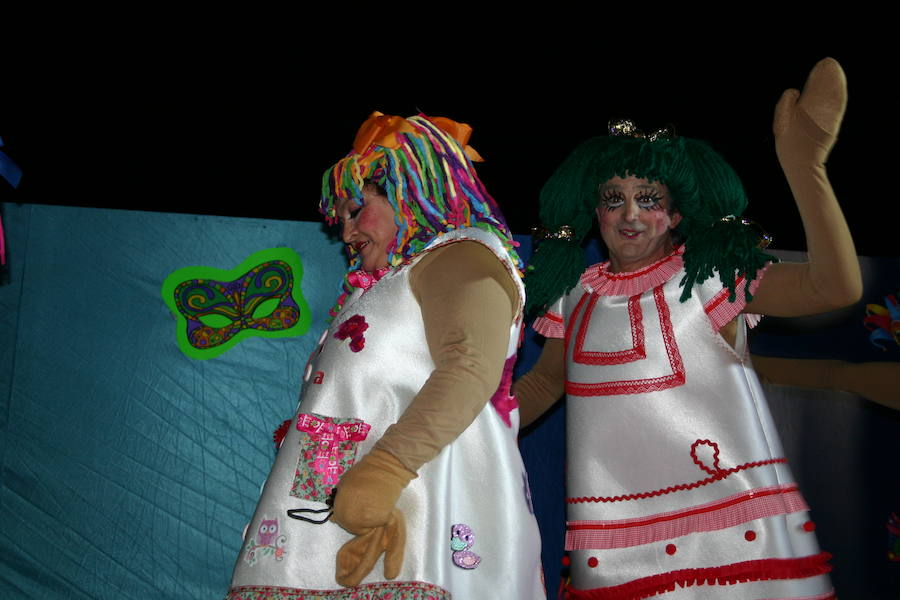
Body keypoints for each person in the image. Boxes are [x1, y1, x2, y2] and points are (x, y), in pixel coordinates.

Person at [515, 58, 859, 598]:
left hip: (734, 545)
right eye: (614, 198)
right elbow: (539, 386)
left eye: (648, 199)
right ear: (596, 212)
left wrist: (805, 169)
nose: (630, 213)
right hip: (616, 550)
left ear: (675, 215)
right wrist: (458, 435)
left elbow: (833, 288)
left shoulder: (711, 276)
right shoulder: (574, 294)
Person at [226, 112, 545, 599]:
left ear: (408, 192)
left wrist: (386, 468)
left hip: (422, 522)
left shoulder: (461, 255)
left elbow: (470, 367)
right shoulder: (387, 281)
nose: (347, 233)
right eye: (343, 220)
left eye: (357, 210)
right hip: (339, 527)